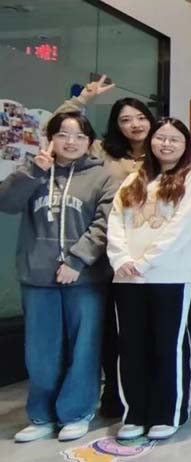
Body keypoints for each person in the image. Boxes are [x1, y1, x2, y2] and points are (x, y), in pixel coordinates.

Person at [2, 112, 117, 442]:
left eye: (79, 136)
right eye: (63, 134)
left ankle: (76, 412)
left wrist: (77, 260)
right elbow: (7, 203)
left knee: (83, 347)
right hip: (38, 276)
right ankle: (41, 415)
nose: (71, 142)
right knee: (41, 351)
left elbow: (104, 224)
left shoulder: (103, 176)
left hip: (85, 278)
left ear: (89, 142)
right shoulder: (34, 170)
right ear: (50, 138)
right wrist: (33, 171)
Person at [54, 75, 157, 418]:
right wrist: (82, 99)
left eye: (140, 117)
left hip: (153, 254)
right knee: (111, 332)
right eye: (125, 119)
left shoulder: (162, 152)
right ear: (116, 125)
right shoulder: (101, 152)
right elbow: (56, 131)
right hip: (109, 255)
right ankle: (113, 391)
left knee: (151, 329)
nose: (135, 124)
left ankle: (150, 392)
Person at [107, 118, 191, 441]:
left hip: (170, 277)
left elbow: (183, 226)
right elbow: (116, 222)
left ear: (185, 145)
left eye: (174, 139)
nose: (166, 143)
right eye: (161, 137)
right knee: (131, 347)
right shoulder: (134, 179)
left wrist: (147, 261)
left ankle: (168, 413)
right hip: (128, 278)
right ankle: (135, 413)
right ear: (151, 141)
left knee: (168, 345)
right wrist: (121, 259)